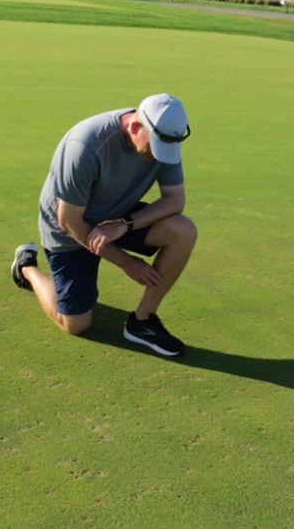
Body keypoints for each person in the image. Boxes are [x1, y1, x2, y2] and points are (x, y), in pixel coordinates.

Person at [11, 93, 197, 357]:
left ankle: (143, 321)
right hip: (69, 229)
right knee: (75, 324)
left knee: (183, 230)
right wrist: (127, 262)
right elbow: (69, 221)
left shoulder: (165, 138)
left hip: (118, 213)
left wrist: (124, 225)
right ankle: (27, 267)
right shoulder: (85, 145)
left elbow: (175, 200)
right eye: (153, 148)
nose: (159, 156)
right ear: (134, 127)